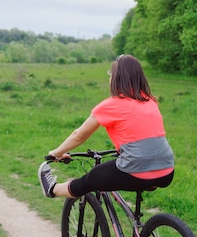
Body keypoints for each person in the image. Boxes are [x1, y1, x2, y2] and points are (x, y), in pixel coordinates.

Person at [38, 54, 174, 198]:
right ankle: (141, 222)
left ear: (116, 79)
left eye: (111, 75)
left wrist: (57, 153)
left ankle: (53, 190)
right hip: (167, 171)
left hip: (135, 171)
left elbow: (79, 136)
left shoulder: (112, 105)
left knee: (89, 180)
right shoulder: (150, 101)